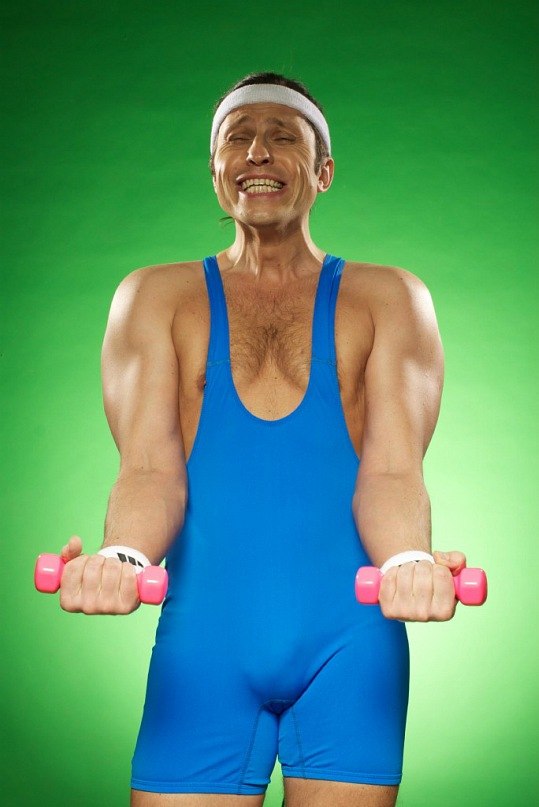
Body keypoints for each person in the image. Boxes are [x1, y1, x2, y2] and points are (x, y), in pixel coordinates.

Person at [58, 72, 466, 807]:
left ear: (323, 171)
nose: (257, 153)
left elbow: (392, 469)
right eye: (237, 138)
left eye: (283, 136)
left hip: (350, 646)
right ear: (215, 169)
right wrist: (121, 556)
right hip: (204, 650)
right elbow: (149, 468)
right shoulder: (153, 298)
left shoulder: (389, 299)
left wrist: (408, 560)